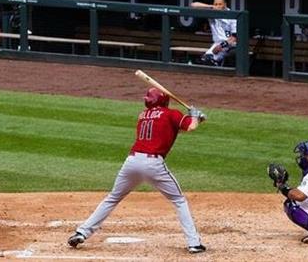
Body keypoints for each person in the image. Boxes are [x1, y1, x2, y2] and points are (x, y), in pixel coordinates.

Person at [68, 87, 207, 254]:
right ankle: (194, 243)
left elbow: (167, 129)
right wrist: (196, 117)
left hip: (132, 162)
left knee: (112, 197)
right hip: (153, 164)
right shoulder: (171, 114)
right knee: (179, 200)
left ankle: (82, 232)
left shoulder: (143, 115)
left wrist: (194, 118)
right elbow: (190, 127)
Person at [191, 0, 237, 66]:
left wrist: (221, 46)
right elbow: (193, 5)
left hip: (229, 45)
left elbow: (234, 38)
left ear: (225, 4)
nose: (217, 6)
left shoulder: (232, 16)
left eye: (220, 4)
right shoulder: (212, 12)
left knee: (211, 61)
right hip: (216, 44)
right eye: (216, 4)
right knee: (205, 60)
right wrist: (211, 6)